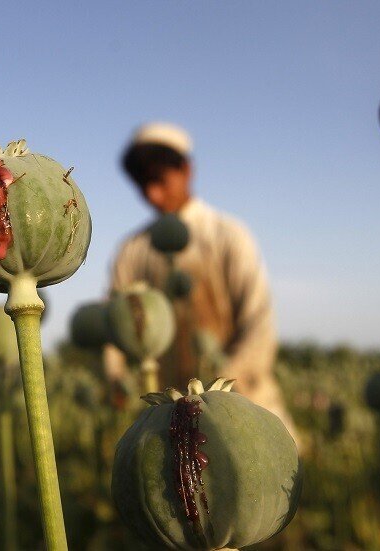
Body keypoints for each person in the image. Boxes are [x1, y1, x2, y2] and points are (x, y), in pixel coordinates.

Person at [107, 122, 298, 444]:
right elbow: (114, 326)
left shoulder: (227, 235)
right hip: (171, 425)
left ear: (187, 170)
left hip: (247, 408)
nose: (152, 194)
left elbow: (259, 325)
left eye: (159, 181)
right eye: (142, 185)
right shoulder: (133, 250)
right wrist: (117, 380)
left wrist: (216, 394)